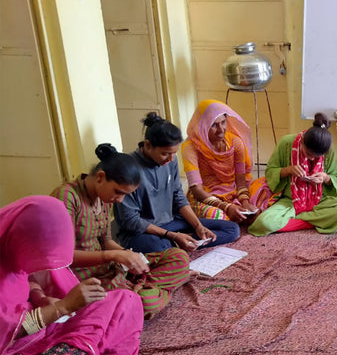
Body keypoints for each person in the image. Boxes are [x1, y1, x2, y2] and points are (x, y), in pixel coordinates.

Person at [0, 196, 143, 355]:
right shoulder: (69, 198)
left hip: (48, 330)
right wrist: (62, 308)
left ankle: (79, 354)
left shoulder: (10, 246)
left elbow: (26, 277)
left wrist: (41, 298)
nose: (119, 197)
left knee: (126, 299)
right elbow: (8, 332)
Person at [51, 143, 190, 320]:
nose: (120, 200)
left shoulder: (103, 198)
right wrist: (113, 256)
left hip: (112, 268)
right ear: (100, 177)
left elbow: (106, 239)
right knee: (147, 302)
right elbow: (62, 258)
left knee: (179, 257)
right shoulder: (67, 197)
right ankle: (149, 289)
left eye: (125, 195)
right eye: (119, 193)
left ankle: (140, 287)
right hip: (88, 278)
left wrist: (127, 255)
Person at [114, 112, 240, 253]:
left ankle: (181, 242)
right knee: (156, 245)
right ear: (148, 145)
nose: (171, 159)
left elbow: (178, 197)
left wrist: (198, 226)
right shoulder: (127, 168)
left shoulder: (170, 161)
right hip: (142, 232)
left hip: (172, 223)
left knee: (232, 229)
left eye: (174, 153)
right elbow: (131, 221)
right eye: (165, 153)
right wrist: (172, 235)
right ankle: (177, 242)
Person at [248, 113, 337, 236]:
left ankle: (291, 222)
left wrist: (325, 178)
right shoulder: (286, 143)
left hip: (320, 201)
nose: (311, 159)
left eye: (316, 157)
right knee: (263, 223)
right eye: (308, 154)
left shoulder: (328, 148)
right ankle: (317, 221)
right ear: (302, 140)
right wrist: (289, 170)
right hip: (290, 201)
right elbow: (270, 171)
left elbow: (334, 176)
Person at [181, 99, 276, 223]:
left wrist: (245, 203)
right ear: (203, 126)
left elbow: (241, 181)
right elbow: (197, 190)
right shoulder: (190, 148)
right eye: (214, 125)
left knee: (265, 192)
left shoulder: (235, 143)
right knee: (217, 217)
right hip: (207, 196)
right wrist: (227, 207)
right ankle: (233, 217)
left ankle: (239, 215)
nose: (221, 129)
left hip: (234, 192)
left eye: (223, 122)